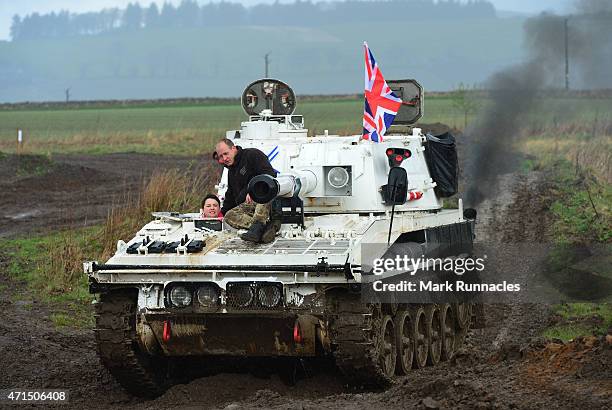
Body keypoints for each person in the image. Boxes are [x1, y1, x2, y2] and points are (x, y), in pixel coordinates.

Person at [215, 138, 280, 243]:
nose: (225, 158)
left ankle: (257, 228)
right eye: (221, 156)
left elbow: (269, 174)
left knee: (263, 192)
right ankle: (266, 228)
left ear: (233, 148)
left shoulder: (252, 155)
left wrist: (253, 189)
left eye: (226, 153)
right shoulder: (231, 170)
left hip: (264, 198)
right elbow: (230, 194)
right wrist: (220, 214)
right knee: (229, 216)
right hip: (247, 205)